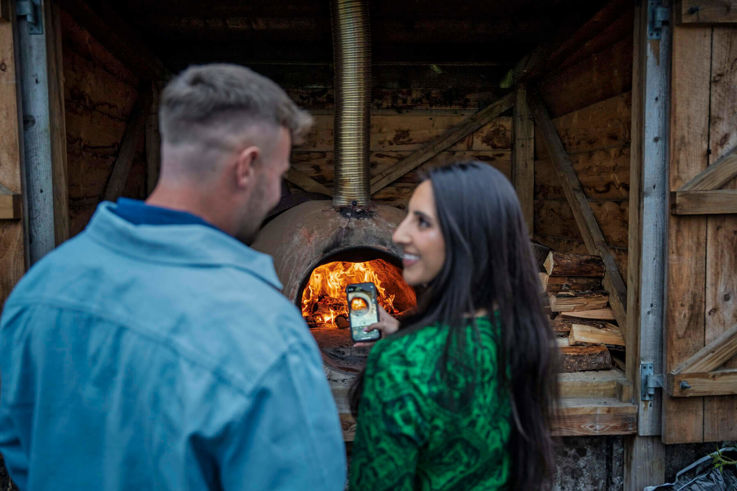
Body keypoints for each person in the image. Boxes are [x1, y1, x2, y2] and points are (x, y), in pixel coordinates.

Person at [0, 64, 346, 490]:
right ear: (247, 167)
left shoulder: (40, 288)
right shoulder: (262, 330)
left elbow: (20, 449)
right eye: (278, 175)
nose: (276, 194)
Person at [349, 162, 559, 490]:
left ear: (468, 239)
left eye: (422, 222)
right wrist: (405, 333)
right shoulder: (522, 333)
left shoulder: (401, 363)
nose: (399, 234)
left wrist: (403, 347)